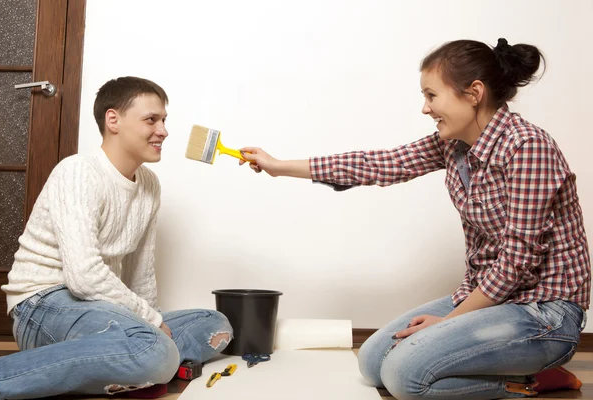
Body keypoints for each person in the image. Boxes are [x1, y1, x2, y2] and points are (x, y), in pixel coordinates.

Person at [239, 38, 590, 399]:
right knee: (373, 361)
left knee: (404, 377)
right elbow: (377, 164)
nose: (425, 108)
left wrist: (447, 323)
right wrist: (279, 166)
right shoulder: (453, 145)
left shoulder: (527, 147)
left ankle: (529, 380)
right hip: (493, 299)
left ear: (474, 93)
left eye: (431, 95)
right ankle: (503, 368)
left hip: (545, 313)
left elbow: (517, 263)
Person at [0, 77, 233, 399]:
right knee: (154, 350)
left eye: (164, 120)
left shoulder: (149, 185)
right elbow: (83, 276)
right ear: (113, 120)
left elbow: (140, 272)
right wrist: (149, 324)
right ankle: (4, 376)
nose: (163, 130)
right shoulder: (78, 171)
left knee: (214, 324)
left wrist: (149, 322)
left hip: (99, 309)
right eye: (152, 119)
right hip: (44, 305)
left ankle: (132, 363)